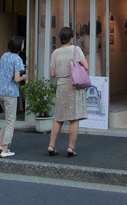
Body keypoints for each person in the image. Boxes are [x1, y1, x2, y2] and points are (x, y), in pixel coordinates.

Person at [48, 26, 89, 157]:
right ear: (71, 38)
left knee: (59, 118)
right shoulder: (76, 50)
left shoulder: (55, 53)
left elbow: (52, 74)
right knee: (74, 118)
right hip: (73, 85)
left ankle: (51, 145)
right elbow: (86, 66)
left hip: (61, 86)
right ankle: (71, 147)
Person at [0, 35, 27, 158]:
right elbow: (16, 79)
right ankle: (5, 150)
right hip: (10, 93)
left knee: (7, 119)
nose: (23, 45)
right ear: (19, 46)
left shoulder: (4, 55)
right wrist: (23, 77)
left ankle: (0, 143)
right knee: (11, 121)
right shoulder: (17, 59)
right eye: (22, 43)